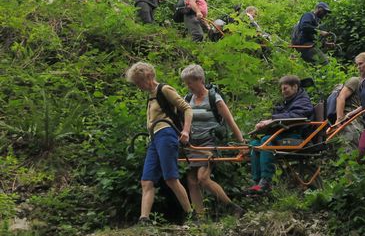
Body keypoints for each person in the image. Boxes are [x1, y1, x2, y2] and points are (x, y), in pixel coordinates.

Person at [125, 62, 193, 224]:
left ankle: (191, 214)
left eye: (139, 82)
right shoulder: (151, 95)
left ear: (148, 76)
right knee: (146, 180)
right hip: (154, 138)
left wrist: (185, 131)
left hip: (166, 134)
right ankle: (144, 219)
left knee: (170, 178)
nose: (139, 86)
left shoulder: (164, 89)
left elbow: (187, 108)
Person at [180, 64, 245, 218]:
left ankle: (233, 207)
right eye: (186, 83)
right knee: (192, 180)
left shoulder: (214, 98)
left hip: (211, 142)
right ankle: (200, 218)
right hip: (194, 144)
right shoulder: (187, 99)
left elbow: (230, 121)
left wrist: (242, 144)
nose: (188, 86)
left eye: (190, 82)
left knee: (203, 178)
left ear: (200, 80)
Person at [249, 75, 314, 194]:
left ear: (295, 87)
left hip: (297, 136)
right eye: (282, 89)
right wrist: (266, 123)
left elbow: (298, 115)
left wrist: (272, 119)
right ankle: (257, 182)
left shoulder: (303, 100)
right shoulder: (287, 101)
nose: (283, 91)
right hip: (285, 134)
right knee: (254, 144)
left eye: (285, 88)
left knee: (267, 141)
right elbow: (282, 116)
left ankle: (266, 181)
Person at [334, 76, 364, 150]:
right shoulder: (355, 81)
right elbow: (341, 97)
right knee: (350, 148)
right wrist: (340, 118)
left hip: (361, 120)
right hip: (349, 119)